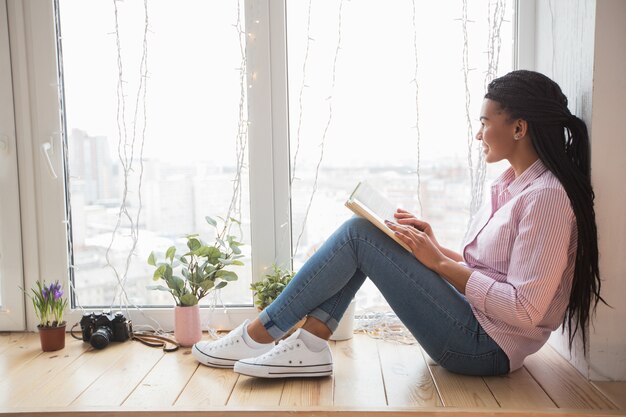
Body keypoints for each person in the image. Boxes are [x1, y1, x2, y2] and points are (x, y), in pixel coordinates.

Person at [192, 70, 605, 377]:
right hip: (475, 324)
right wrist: (433, 247)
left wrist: (440, 265)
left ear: (518, 127)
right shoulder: (512, 185)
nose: (479, 134)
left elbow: (525, 309)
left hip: (484, 348)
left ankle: (260, 333)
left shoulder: (547, 197)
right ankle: (310, 344)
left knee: (359, 236)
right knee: (369, 236)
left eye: (484, 122)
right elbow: (495, 272)